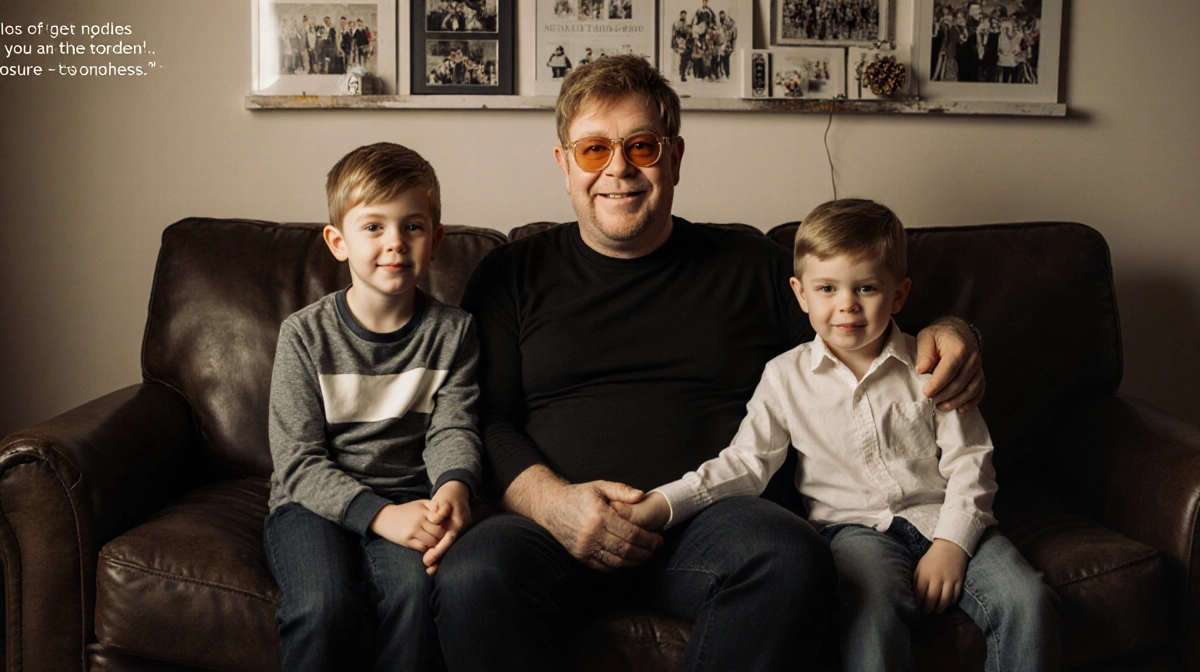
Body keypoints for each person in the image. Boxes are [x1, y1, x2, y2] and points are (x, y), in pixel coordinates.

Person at [432, 55, 985, 671]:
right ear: (564, 163)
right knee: (471, 574)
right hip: (551, 531)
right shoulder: (509, 274)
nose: (618, 168)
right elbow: (487, 419)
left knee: (787, 554)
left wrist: (953, 330)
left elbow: (865, 330)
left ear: (674, 157)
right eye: (594, 150)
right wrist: (554, 505)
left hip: (711, 524)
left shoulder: (752, 265)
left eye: (641, 146)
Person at [627, 199, 1060, 672]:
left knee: (1027, 600)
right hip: (851, 531)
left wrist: (952, 544)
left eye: (866, 288)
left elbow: (971, 459)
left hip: (943, 515)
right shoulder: (784, 377)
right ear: (801, 294)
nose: (847, 304)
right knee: (872, 612)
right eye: (827, 288)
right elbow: (746, 464)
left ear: (898, 295)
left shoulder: (929, 365)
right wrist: (662, 503)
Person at [263, 142, 482, 671]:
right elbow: (297, 461)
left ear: (436, 240)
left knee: (415, 595)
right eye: (373, 227)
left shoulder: (454, 333)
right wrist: (378, 515)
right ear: (338, 242)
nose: (395, 243)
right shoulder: (304, 335)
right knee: (324, 605)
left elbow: (453, 428)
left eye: (413, 226)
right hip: (308, 505)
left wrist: (454, 486)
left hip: (409, 496)